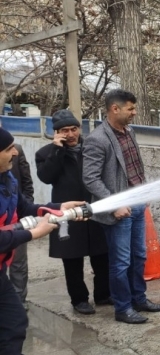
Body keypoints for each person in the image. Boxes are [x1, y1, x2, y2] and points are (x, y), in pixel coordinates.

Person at [0, 127, 87, 355]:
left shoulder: (7, 179)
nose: (14, 152)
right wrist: (32, 234)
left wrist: (58, 207)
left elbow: (25, 206)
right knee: (12, 321)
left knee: (14, 321)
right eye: (8, 149)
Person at [82, 90, 160, 324]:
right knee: (121, 262)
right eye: (130, 108)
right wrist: (115, 205)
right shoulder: (97, 139)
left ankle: (139, 298)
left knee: (139, 256)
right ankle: (123, 308)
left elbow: (135, 167)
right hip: (119, 211)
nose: (134, 112)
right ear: (115, 109)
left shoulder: (130, 132)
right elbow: (90, 179)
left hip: (137, 204)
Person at [36, 110, 111, 315]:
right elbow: (46, 177)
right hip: (66, 212)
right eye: (64, 131)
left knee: (102, 254)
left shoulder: (91, 148)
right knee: (72, 258)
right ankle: (79, 300)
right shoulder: (45, 153)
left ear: (79, 129)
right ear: (56, 133)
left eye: (73, 129)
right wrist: (56, 150)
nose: (70, 134)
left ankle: (103, 294)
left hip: (94, 207)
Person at [9, 143, 34, 309]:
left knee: (18, 262)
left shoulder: (15, 149)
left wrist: (27, 208)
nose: (13, 152)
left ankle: (19, 301)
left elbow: (26, 182)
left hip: (17, 217)